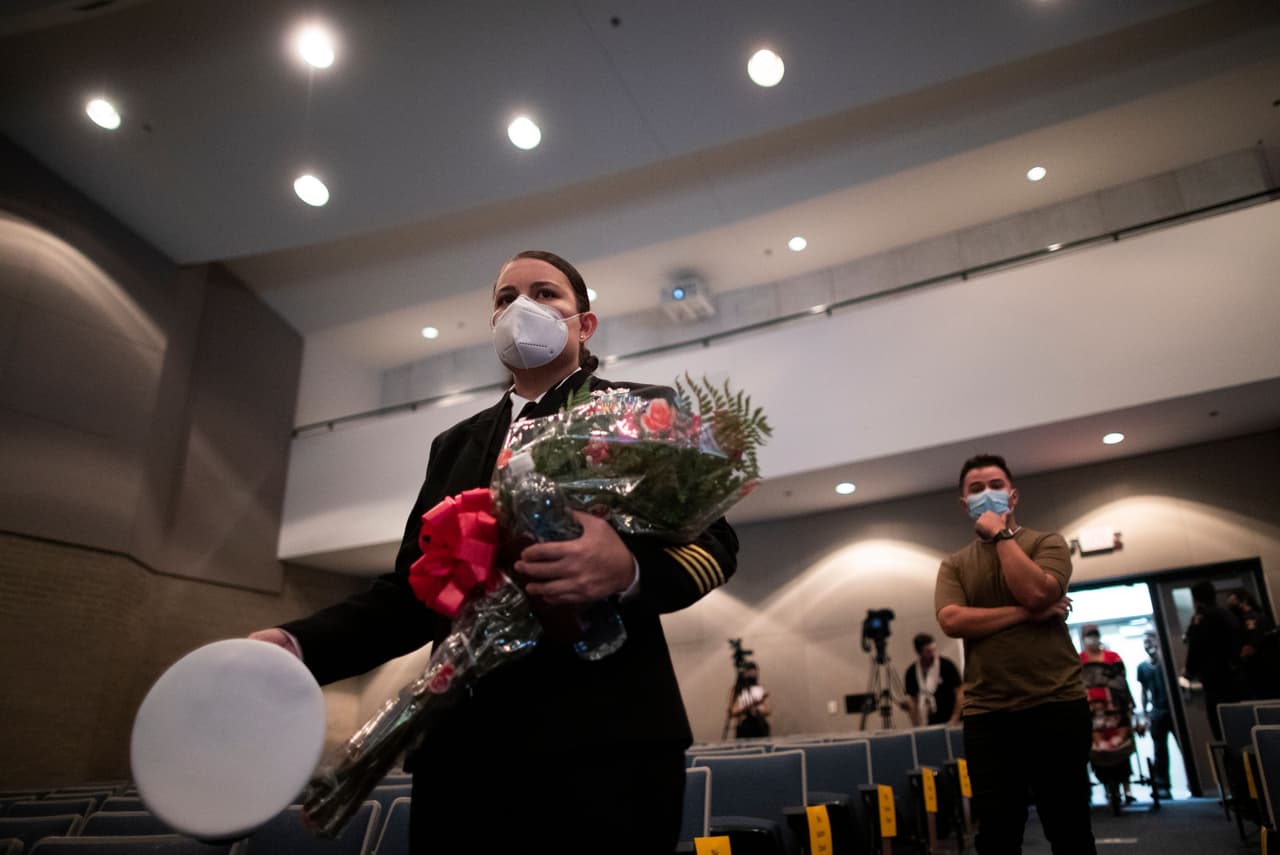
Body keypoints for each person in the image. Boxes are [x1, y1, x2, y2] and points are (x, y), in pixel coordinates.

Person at [250, 250, 739, 855]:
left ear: (584, 325)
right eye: (506, 299)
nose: (521, 309)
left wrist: (629, 568)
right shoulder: (452, 445)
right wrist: (298, 645)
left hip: (607, 748)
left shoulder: (640, 411)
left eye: (545, 294)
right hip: (464, 757)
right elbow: (414, 593)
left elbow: (714, 542)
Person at [935, 453, 1095, 855]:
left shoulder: (1047, 543)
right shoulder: (954, 565)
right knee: (998, 835)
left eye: (994, 486)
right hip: (989, 715)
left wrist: (1002, 536)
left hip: (1056, 705)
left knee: (1069, 828)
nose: (985, 494)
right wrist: (1030, 614)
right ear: (963, 503)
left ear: (1013, 495)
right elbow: (953, 620)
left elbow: (1037, 590)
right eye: (975, 489)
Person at [1079, 624, 1135, 804]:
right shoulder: (1079, 660)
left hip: (1115, 709)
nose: (1092, 638)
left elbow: (1122, 682)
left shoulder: (1113, 657)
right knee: (1097, 748)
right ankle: (1109, 789)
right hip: (1093, 712)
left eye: (1094, 635)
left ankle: (1126, 789)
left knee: (1121, 745)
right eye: (1089, 635)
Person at [1182, 581, 1243, 740]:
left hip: (1214, 681)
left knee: (1222, 733)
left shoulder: (1201, 618)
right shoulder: (1227, 614)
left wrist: (1188, 672)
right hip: (1235, 678)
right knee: (1240, 727)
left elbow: (1195, 646)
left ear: (1196, 599)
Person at [1137, 631, 1176, 799]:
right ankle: (1162, 786)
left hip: (1173, 710)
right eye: (1145, 642)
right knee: (1160, 750)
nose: (1148, 645)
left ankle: (1195, 781)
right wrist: (1145, 714)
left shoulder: (1166, 662)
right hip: (1157, 712)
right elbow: (1144, 691)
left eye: (1150, 640)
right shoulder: (1143, 667)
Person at [900, 632, 963, 726]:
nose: (933, 654)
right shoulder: (911, 672)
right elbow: (913, 701)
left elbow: (960, 693)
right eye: (928, 651)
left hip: (950, 719)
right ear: (919, 652)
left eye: (934, 650)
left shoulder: (947, 666)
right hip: (929, 721)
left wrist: (955, 717)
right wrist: (916, 724)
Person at [1226, 589, 1280, 700]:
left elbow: (1249, 648)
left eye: (1233, 601)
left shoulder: (1250, 619)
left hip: (1259, 672)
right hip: (1264, 671)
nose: (1230, 605)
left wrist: (1236, 661)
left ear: (1243, 601)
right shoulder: (1257, 617)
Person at [728, 661, 771, 739]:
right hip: (744, 727)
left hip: (760, 726)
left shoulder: (760, 688)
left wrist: (758, 710)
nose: (753, 674)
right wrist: (747, 707)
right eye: (750, 672)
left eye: (755, 672)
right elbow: (732, 711)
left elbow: (768, 710)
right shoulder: (737, 690)